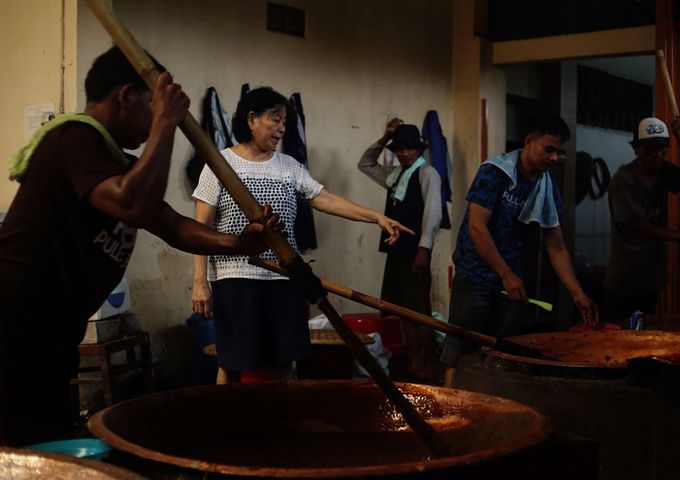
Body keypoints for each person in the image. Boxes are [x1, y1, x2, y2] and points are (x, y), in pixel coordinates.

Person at [0, 46, 281, 447]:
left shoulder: (119, 163)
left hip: (51, 330)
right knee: (14, 449)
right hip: (12, 321)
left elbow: (172, 225)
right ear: (126, 96)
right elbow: (133, 204)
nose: (154, 121)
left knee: (39, 445)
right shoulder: (72, 138)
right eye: (154, 105)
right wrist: (166, 125)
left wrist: (237, 242)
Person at [191, 87, 413, 385]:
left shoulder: (289, 167)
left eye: (284, 121)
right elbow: (201, 229)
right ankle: (229, 429)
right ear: (252, 119)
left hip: (285, 277)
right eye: (275, 119)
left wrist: (376, 217)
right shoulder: (220, 165)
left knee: (283, 361)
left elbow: (327, 200)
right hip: (235, 279)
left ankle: (281, 426)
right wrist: (199, 281)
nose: (282, 127)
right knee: (233, 362)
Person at [441, 113, 598, 387]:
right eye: (548, 149)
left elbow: (555, 244)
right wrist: (505, 273)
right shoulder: (495, 172)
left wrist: (578, 294)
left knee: (502, 358)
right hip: (475, 278)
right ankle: (446, 421)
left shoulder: (546, 185)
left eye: (559, 152)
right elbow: (478, 227)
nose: (553, 158)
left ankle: (491, 419)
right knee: (459, 357)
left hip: (511, 286)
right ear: (529, 141)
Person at [357, 118, 443, 381]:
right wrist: (384, 138)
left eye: (409, 149)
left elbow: (433, 213)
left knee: (420, 313)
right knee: (403, 311)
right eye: (399, 149)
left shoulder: (427, 173)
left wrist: (424, 249)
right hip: (396, 251)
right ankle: (414, 361)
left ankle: (430, 364)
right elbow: (365, 163)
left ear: (419, 149)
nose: (404, 154)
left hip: (415, 253)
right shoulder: (395, 176)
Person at [601, 116, 680, 321]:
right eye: (649, 149)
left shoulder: (663, 171)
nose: (656, 154)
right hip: (625, 281)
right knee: (617, 338)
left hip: (650, 280)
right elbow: (636, 225)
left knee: (640, 333)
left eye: (661, 148)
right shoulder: (624, 179)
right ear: (636, 149)